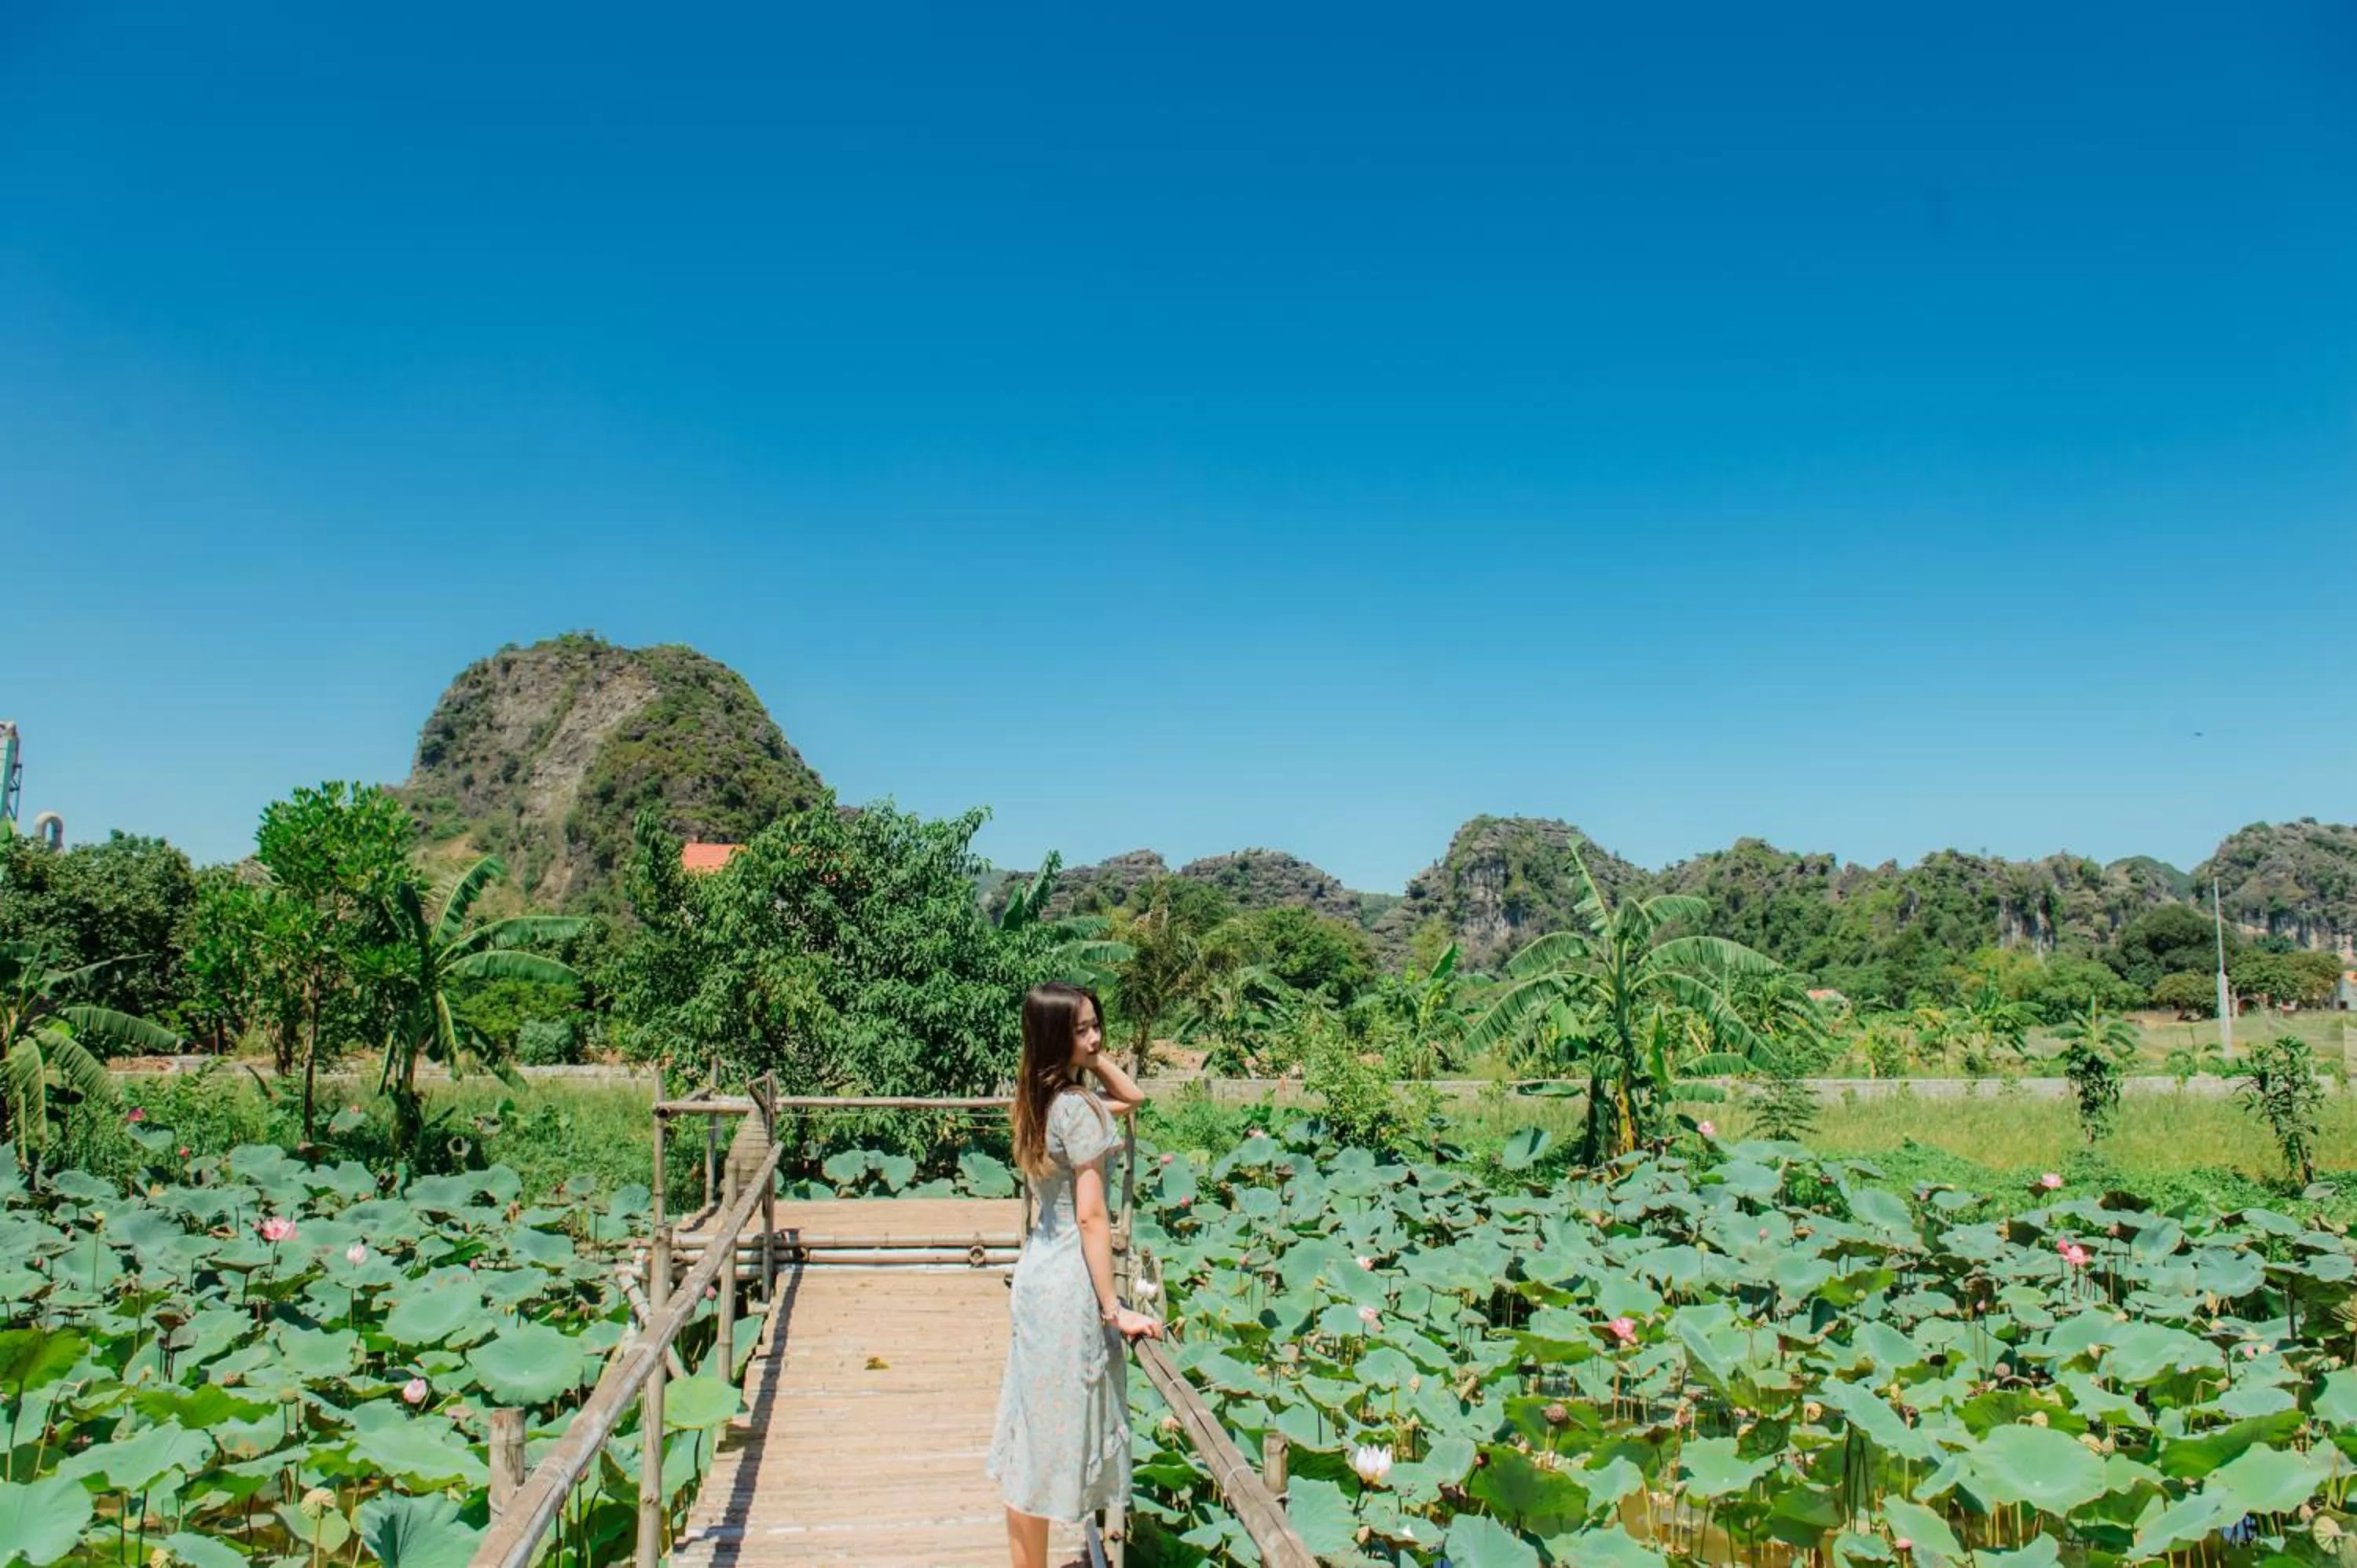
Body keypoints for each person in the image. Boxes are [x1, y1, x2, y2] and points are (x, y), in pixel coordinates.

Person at [987, 982, 1160, 1568]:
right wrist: (1115, 1308)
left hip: (1036, 1272)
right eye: (1081, 1030)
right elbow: (1092, 1217)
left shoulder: (1038, 1100)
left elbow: (1132, 1096)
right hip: (1069, 1281)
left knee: (1029, 1439)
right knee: (1046, 1444)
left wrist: (1091, 1058)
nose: (1095, 1037)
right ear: (1053, 1036)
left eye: (1095, 1025)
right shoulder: (1079, 1109)